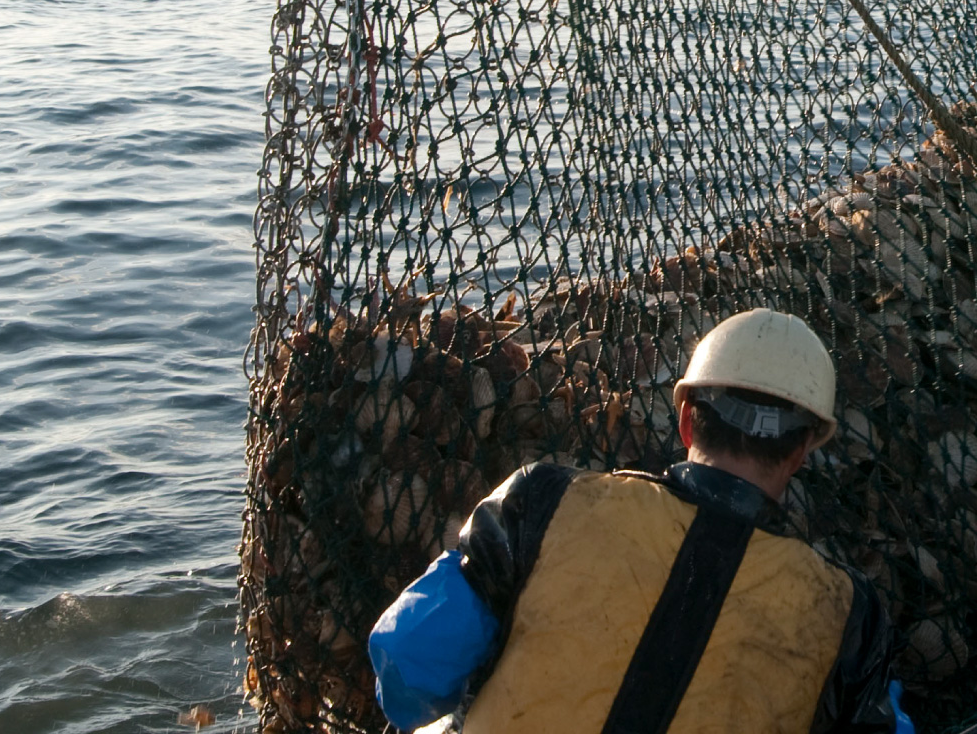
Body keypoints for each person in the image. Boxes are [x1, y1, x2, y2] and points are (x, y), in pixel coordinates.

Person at [366, 309, 909, 734]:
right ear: (801, 454)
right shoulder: (848, 614)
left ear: (687, 422)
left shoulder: (546, 500)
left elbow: (407, 663)